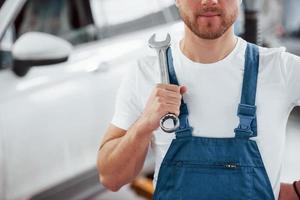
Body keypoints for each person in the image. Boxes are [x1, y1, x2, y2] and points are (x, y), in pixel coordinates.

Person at [97, 0, 300, 199]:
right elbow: (111, 178)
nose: (209, 1)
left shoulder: (281, 69)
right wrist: (143, 125)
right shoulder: (145, 72)